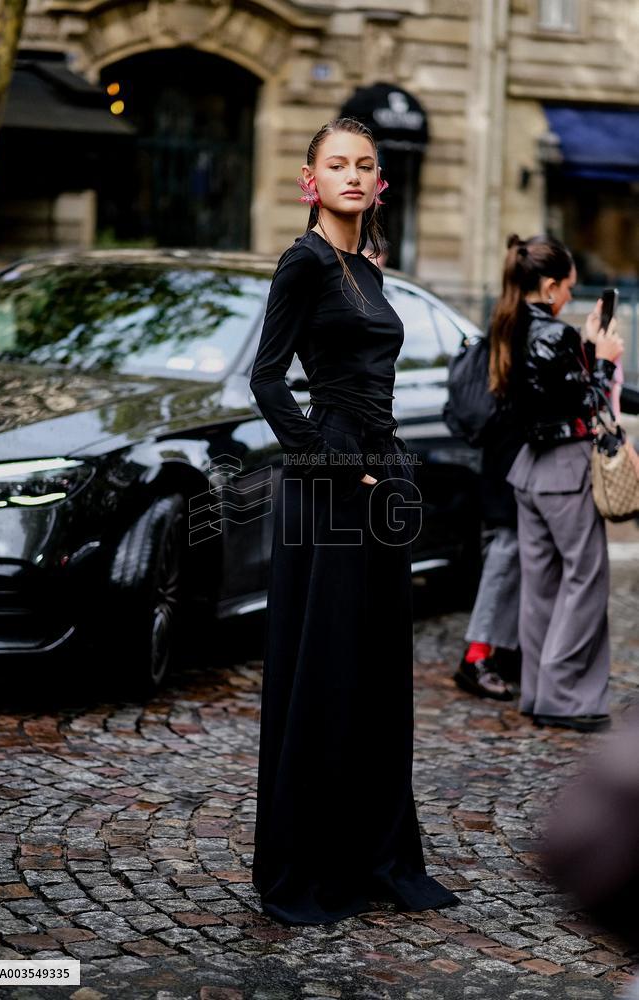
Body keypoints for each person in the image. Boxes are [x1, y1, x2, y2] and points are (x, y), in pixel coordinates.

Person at [249, 116, 458, 925]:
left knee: (375, 674)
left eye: (364, 165)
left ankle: (376, 853)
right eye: (336, 164)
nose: (352, 175)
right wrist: (339, 466)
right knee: (325, 670)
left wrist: (387, 472)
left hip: (382, 478)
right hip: (331, 482)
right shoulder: (302, 263)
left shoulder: (367, 270)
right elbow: (268, 383)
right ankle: (306, 866)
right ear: (311, 179)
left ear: (379, 182)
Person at [501, 234, 624, 733]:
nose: (570, 297)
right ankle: (565, 697)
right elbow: (587, 402)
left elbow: (551, 393)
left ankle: (538, 690)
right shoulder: (554, 334)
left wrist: (590, 346)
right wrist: (607, 356)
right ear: (550, 286)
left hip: (529, 467)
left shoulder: (507, 323)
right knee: (584, 582)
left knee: (541, 587)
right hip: (564, 468)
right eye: (568, 288)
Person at [453, 321, 525, 702]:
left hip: (501, 460)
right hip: (512, 462)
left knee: (506, 552)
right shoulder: (523, 332)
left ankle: (501, 651)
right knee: (506, 552)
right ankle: (477, 655)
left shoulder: (504, 327)